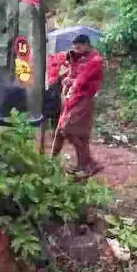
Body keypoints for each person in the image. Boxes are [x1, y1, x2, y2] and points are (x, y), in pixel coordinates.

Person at [52, 34, 104, 178]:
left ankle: (89, 163)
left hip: (84, 99)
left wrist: (71, 82)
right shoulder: (78, 57)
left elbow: (82, 79)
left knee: (68, 130)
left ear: (87, 45)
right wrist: (68, 76)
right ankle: (83, 167)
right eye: (74, 47)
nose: (76, 50)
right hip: (72, 98)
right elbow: (73, 73)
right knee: (77, 135)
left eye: (79, 47)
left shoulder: (95, 60)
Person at [37, 50, 69, 153]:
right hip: (55, 94)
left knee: (44, 120)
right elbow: (64, 78)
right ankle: (53, 150)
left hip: (46, 92)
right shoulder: (63, 61)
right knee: (55, 123)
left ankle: (41, 146)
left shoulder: (48, 60)